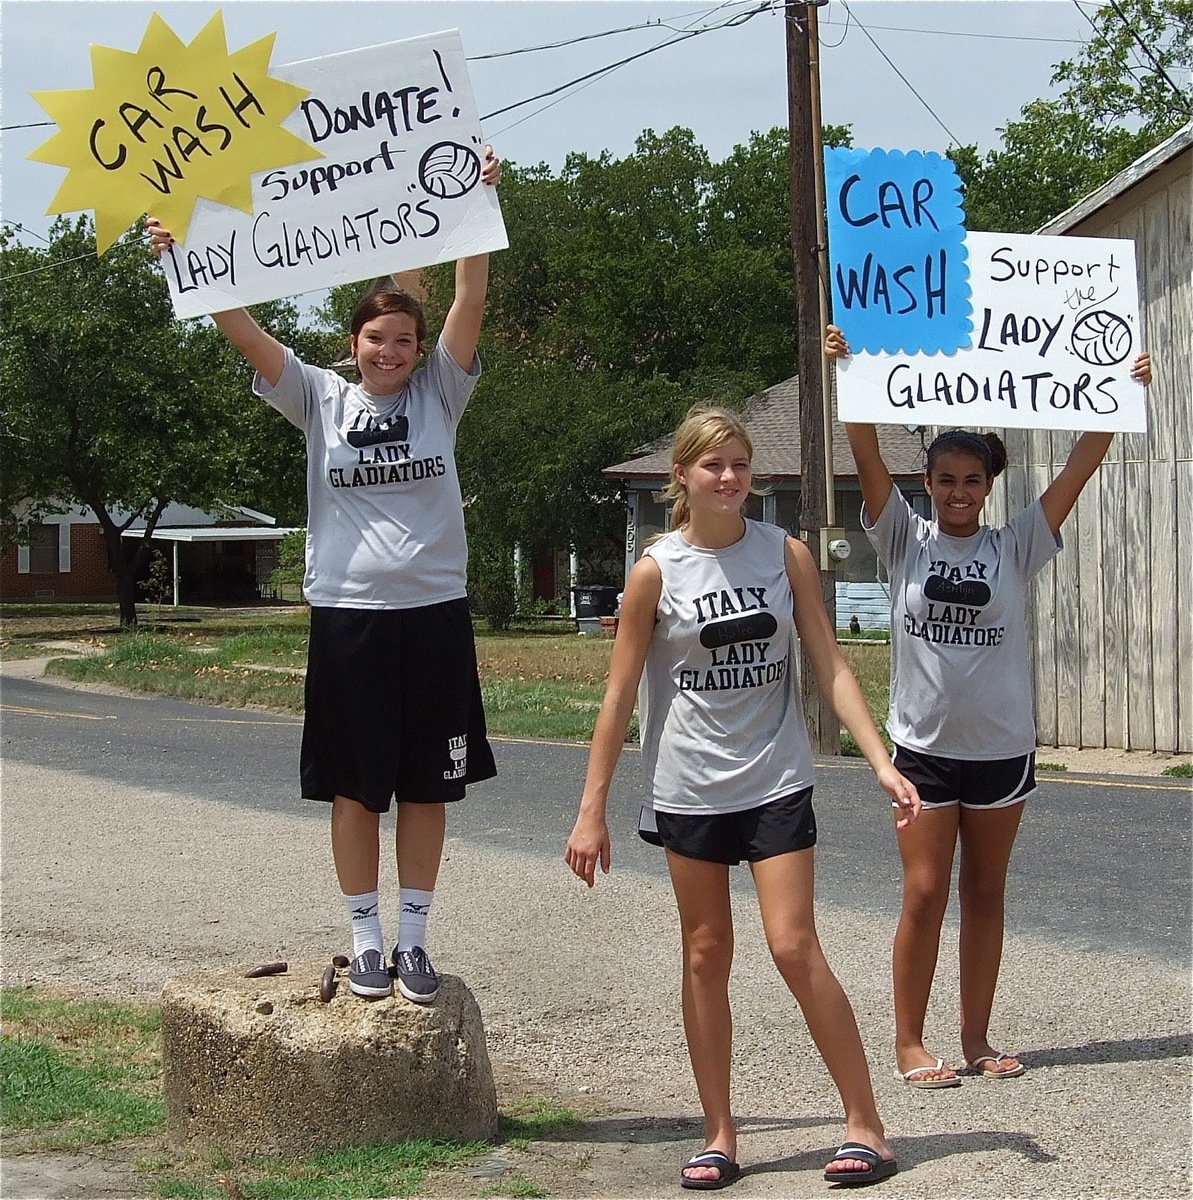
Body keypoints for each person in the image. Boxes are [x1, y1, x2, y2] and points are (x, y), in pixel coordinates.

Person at [147, 147, 502, 1004]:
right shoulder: (317, 398)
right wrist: (178, 255)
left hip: (434, 613)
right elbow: (239, 326)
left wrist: (480, 205)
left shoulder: (440, 395)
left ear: (421, 351)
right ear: (353, 345)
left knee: (426, 785)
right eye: (376, 340)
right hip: (349, 617)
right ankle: (366, 938)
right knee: (356, 785)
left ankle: (415, 937)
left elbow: (472, 297)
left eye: (404, 341)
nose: (391, 352)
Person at [565, 406, 921, 1190]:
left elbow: (827, 663)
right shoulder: (655, 570)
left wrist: (880, 762)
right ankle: (719, 1134)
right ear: (682, 478)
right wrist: (591, 808)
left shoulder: (782, 552)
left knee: (794, 946)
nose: (728, 478)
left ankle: (865, 1124)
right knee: (704, 954)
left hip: (775, 780)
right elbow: (618, 696)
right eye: (712, 465)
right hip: (688, 786)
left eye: (738, 464)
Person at [825, 325, 1152, 1087]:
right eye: (944, 479)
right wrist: (845, 373)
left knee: (984, 893)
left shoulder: (1016, 545)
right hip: (923, 753)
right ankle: (909, 1042)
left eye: (971, 480)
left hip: (1002, 753)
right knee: (922, 893)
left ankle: (974, 1038)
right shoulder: (902, 537)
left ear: (988, 486)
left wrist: (1121, 385)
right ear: (929, 483)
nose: (958, 492)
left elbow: (1081, 462)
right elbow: (865, 454)